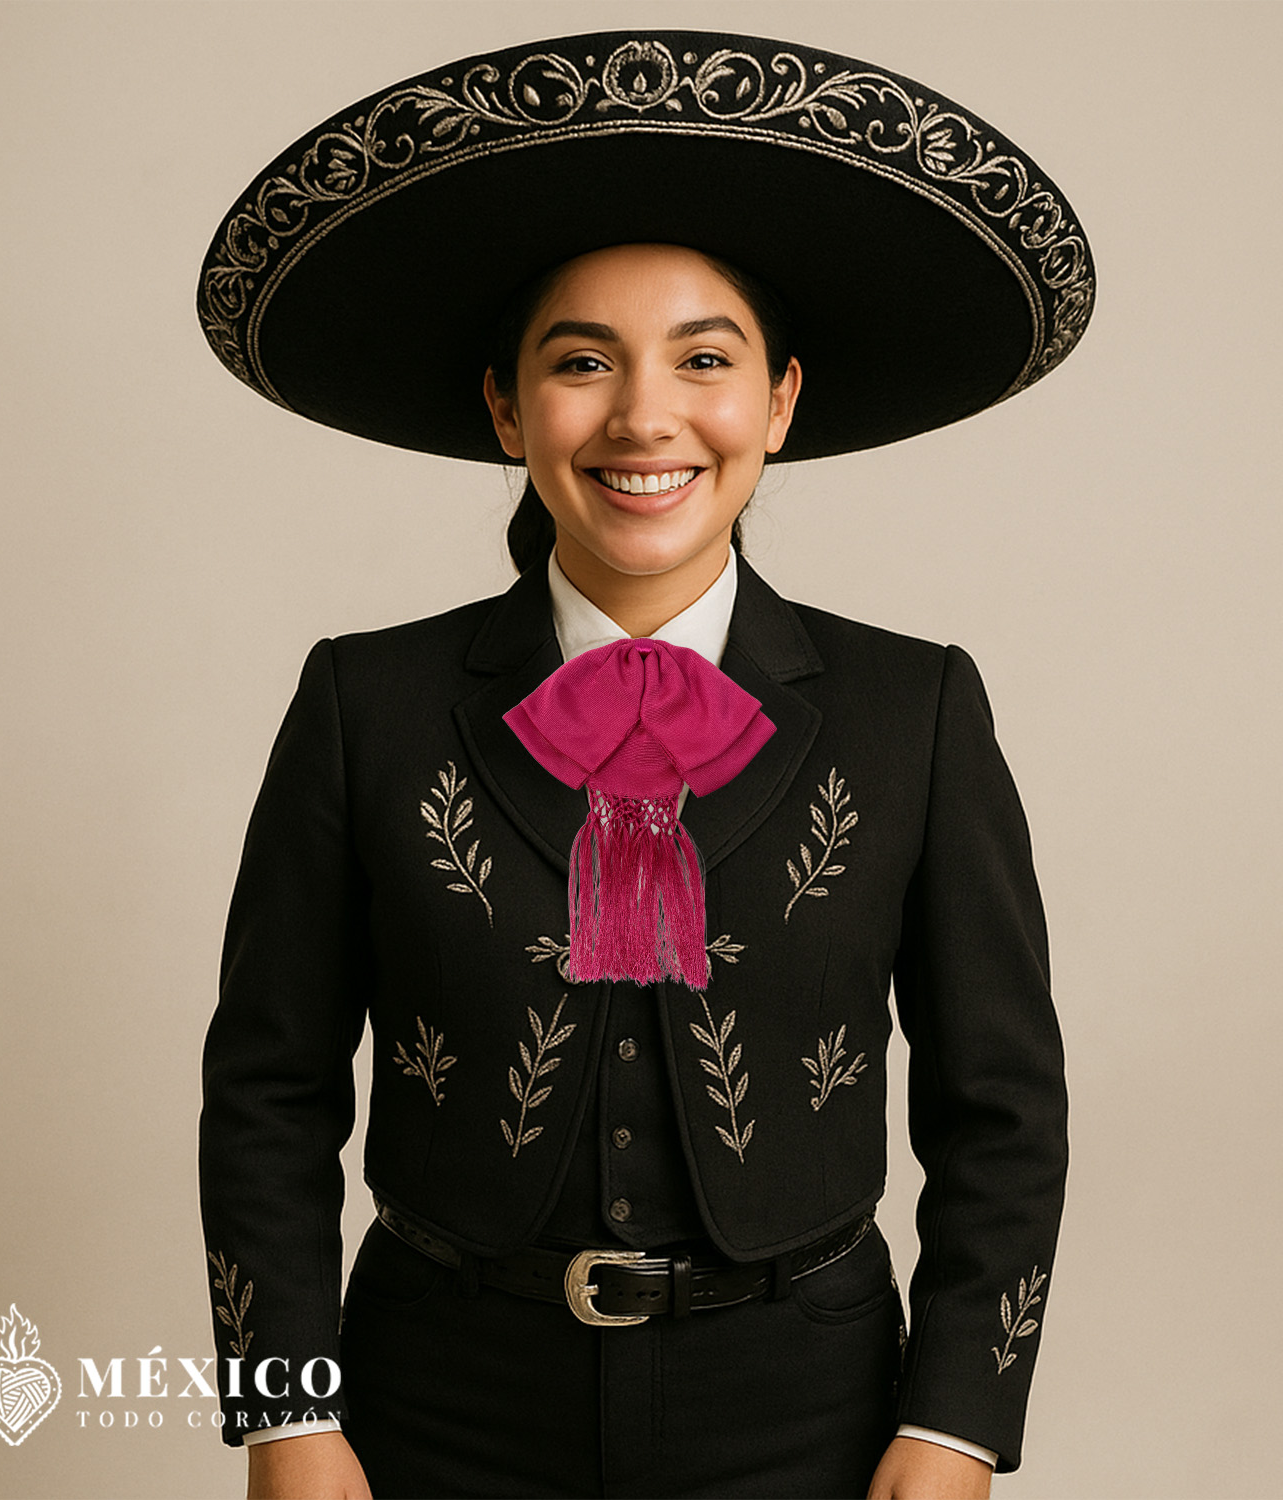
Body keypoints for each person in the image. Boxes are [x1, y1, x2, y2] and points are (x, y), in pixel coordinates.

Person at [197, 28, 1091, 1500]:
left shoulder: (910, 708)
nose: (643, 417)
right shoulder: (368, 701)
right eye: (580, 363)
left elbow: (1004, 1105)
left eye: (702, 360)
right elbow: (267, 1087)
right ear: (506, 409)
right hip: (437, 1404)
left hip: (804, 1409)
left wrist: (956, 1429)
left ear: (781, 403)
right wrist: (287, 1417)